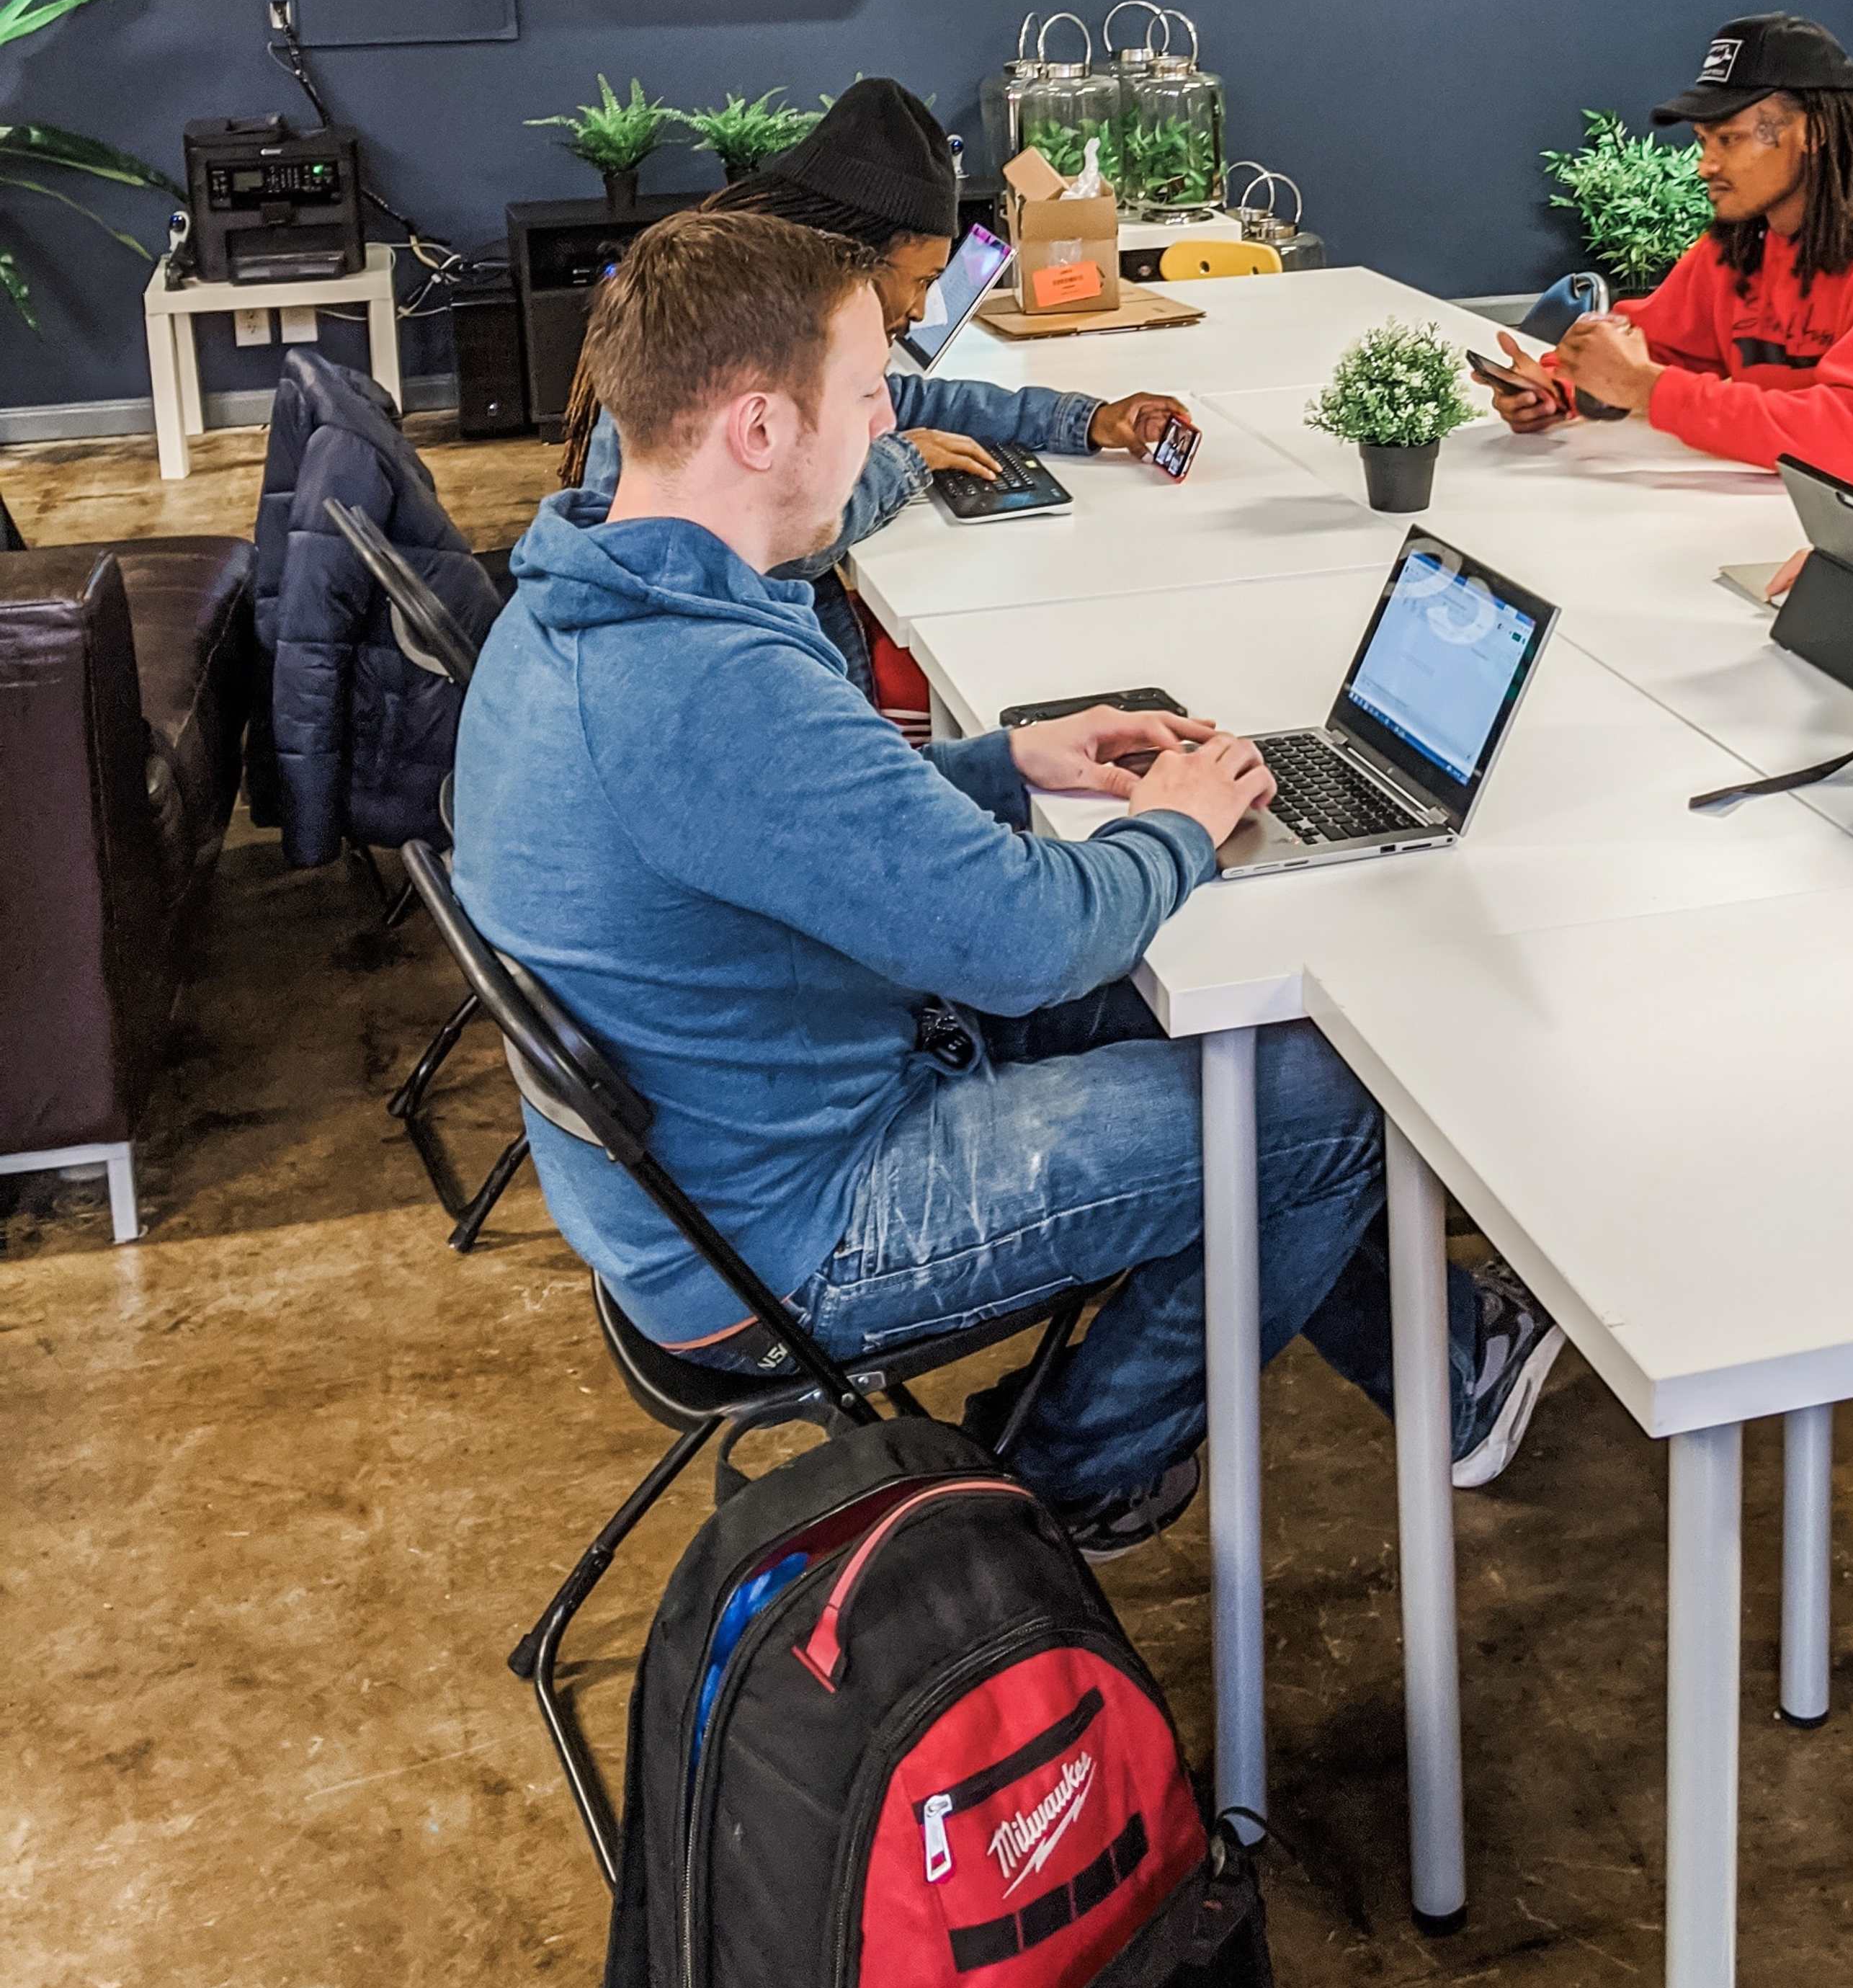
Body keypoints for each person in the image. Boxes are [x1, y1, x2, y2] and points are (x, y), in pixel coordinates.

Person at [457, 208, 1562, 1556]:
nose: (887, 430)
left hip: (726, 1144)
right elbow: (1032, 942)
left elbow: (796, 828)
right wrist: (1182, 826)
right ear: (758, 429)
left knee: (1248, 1048)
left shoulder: (588, 586)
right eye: (867, 398)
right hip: (791, 1237)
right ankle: (1079, 1467)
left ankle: (1446, 1377)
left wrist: (1010, 760)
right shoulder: (703, 685)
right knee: (1333, 1100)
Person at [561, 79, 1187, 697]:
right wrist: (904, 460)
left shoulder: (781, 305)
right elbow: (785, 540)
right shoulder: (737, 333)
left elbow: (906, 401)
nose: (920, 310)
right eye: (920, 281)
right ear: (856, 258)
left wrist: (1084, 420)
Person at [1476, 14, 1853, 517]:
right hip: (1781, 513)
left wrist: (1646, 389)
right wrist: (1561, 388)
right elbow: (1659, 348)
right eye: (1703, 142)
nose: (1707, 165)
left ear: (1813, 132)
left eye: (1729, 140)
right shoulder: (1747, 240)